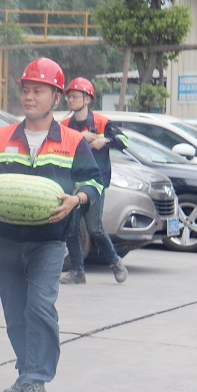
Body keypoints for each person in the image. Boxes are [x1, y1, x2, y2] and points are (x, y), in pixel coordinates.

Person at [0, 58, 102, 392]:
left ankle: (36, 380)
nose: (29, 97)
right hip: (6, 238)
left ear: (56, 97)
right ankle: (25, 372)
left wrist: (78, 198)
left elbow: (93, 181)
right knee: (15, 312)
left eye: (38, 91)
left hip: (50, 240)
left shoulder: (73, 141)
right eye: (26, 90)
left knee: (40, 306)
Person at [60, 77, 129, 284]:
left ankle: (116, 262)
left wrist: (104, 141)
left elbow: (124, 140)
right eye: (69, 97)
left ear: (87, 99)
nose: (71, 100)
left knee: (94, 228)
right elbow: (58, 143)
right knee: (71, 229)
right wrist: (80, 136)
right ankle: (78, 272)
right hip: (72, 183)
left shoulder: (102, 122)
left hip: (95, 184)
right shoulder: (65, 125)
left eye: (75, 96)